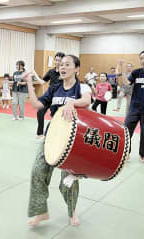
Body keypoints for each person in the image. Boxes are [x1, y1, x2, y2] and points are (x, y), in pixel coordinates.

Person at [25, 55, 91, 227]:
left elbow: (86, 100)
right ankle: (41, 212)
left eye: (67, 65)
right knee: (37, 172)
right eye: (61, 65)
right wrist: (30, 85)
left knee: (68, 180)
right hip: (52, 136)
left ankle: (72, 212)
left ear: (77, 69)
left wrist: (72, 103)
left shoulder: (81, 87)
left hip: (74, 140)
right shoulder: (54, 88)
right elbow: (36, 105)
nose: (62, 67)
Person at [35, 52, 65, 138]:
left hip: (60, 97)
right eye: (56, 60)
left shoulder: (65, 72)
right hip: (49, 96)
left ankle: (56, 134)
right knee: (40, 112)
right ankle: (40, 133)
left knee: (56, 117)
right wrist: (35, 74)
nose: (57, 62)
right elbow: (42, 82)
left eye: (59, 60)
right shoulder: (51, 71)